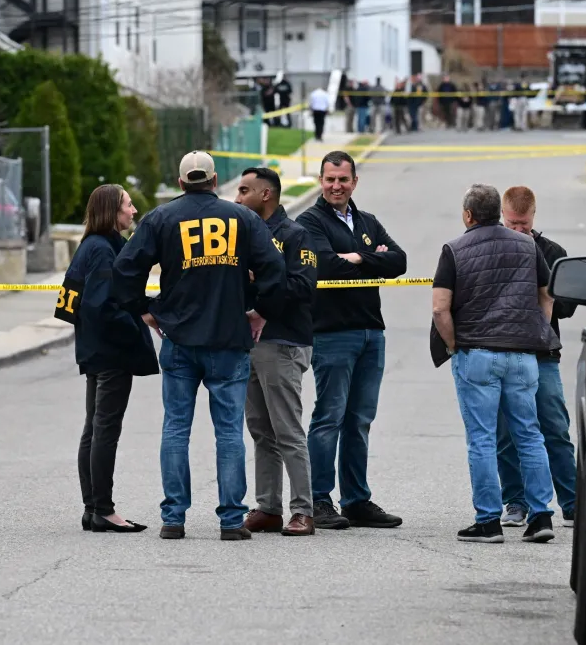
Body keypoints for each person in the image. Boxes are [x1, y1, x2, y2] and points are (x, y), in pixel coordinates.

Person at [112, 151, 287, 542]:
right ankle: (230, 520)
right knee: (228, 432)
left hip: (179, 339)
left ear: (180, 183)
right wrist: (260, 310)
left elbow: (124, 270)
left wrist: (147, 311)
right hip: (228, 338)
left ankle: (173, 518)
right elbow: (276, 269)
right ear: (214, 180)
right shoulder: (241, 218)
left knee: (176, 429)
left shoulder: (161, 218)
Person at [431, 183, 559, 544]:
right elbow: (546, 294)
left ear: (468, 215)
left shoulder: (454, 250)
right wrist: (537, 331)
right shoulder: (527, 245)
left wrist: (454, 344)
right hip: (522, 355)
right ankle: (541, 517)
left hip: (477, 355)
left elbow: (441, 307)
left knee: (483, 440)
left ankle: (488, 521)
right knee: (530, 435)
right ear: (497, 212)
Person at [295, 150, 407, 530]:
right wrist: (370, 256)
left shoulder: (367, 220)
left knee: (360, 420)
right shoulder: (309, 222)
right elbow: (324, 264)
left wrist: (357, 257)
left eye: (343, 179)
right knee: (329, 417)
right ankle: (319, 500)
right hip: (332, 333)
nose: (336, 186)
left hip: (371, 331)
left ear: (355, 181)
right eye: (330, 179)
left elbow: (399, 261)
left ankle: (356, 499)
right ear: (321, 181)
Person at [54, 184, 160, 534]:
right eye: (128, 206)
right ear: (112, 212)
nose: (133, 212)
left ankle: (92, 507)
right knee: (104, 431)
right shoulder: (102, 249)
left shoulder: (93, 245)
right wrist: (137, 324)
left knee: (94, 429)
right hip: (111, 354)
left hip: (95, 351)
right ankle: (103, 508)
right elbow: (102, 306)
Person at [234, 167, 318, 537]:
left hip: (283, 341)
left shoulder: (296, 234)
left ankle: (304, 510)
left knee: (287, 430)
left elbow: (304, 286)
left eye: (244, 190)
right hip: (248, 343)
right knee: (260, 430)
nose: (237, 197)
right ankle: (268, 506)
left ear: (266, 194)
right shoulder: (244, 235)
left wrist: (264, 278)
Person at [497, 186, 578, 528]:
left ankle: (572, 502)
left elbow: (569, 306)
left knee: (555, 428)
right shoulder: (489, 248)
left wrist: (541, 277)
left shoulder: (552, 251)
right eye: (512, 224)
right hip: (502, 350)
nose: (517, 231)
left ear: (533, 218)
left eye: (524, 225)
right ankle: (515, 502)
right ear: (502, 216)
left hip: (543, 352)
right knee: (506, 432)